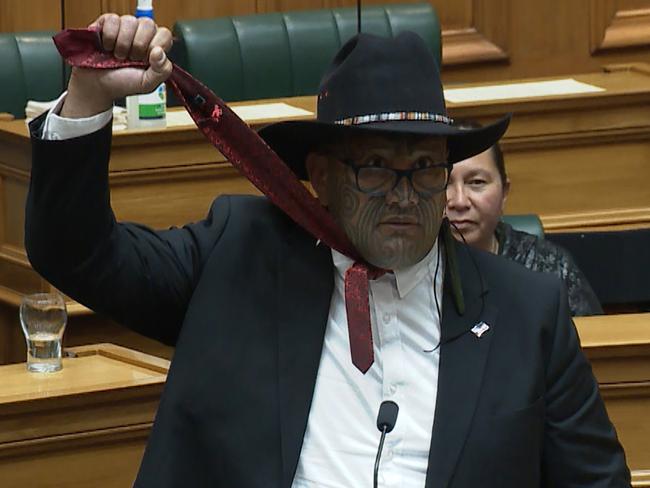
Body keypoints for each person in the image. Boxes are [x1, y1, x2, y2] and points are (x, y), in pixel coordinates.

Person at [25, 14, 629, 488]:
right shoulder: (240, 254)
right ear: (321, 175)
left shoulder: (528, 312)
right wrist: (88, 97)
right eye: (375, 168)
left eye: (424, 170)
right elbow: (77, 253)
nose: (404, 196)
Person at [445, 123, 603, 316]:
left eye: (477, 182)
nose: (459, 201)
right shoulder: (409, 271)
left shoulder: (548, 267)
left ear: (504, 192)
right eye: (444, 182)